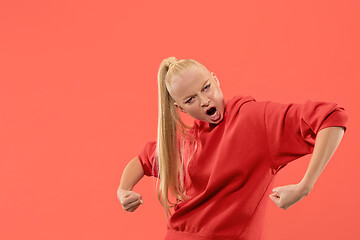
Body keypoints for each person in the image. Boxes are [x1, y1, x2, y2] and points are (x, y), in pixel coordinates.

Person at [117, 57, 348, 239]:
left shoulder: (255, 120)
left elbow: (332, 117)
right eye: (191, 100)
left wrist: (305, 186)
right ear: (181, 109)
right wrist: (123, 190)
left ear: (216, 79)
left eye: (206, 87)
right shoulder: (186, 142)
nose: (205, 100)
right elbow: (142, 160)